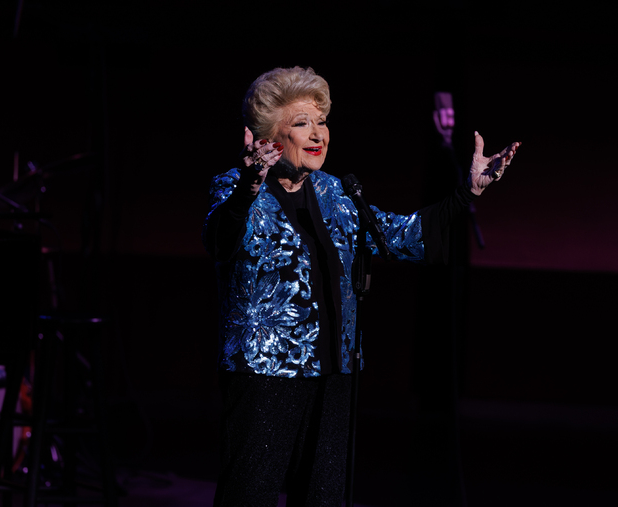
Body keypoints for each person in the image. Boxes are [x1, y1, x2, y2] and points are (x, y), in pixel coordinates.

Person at [203, 66, 520, 506]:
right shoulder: (238, 190)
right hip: (266, 375)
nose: (317, 134)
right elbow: (220, 241)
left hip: (336, 370)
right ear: (268, 138)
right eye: (301, 123)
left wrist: (467, 193)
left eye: (322, 122)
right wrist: (250, 183)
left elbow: (397, 236)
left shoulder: (335, 193)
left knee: (324, 495)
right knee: (249, 493)